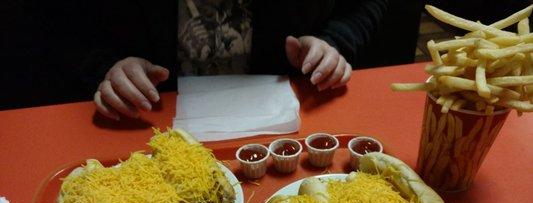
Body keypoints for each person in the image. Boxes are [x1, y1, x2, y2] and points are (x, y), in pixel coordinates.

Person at [91, 0, 389, 120]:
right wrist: (109, 67)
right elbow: (63, 27)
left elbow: (362, 5)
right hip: (148, 117)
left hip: (288, 114)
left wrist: (332, 42)